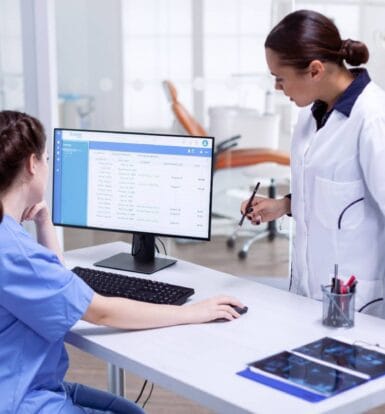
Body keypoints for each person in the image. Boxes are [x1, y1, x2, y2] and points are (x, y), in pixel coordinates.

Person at [0, 110, 244, 414]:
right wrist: (195, 311)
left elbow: (55, 280)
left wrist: (44, 222)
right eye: (46, 159)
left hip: (26, 385)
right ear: (31, 164)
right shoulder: (18, 254)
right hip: (21, 400)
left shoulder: (10, 241)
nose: (49, 167)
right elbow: (100, 313)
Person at [242, 9, 385, 316]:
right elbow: (341, 195)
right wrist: (284, 205)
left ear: (316, 70)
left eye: (280, 79)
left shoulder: (373, 118)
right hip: (307, 291)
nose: (278, 88)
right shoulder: (310, 115)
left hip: (358, 302)